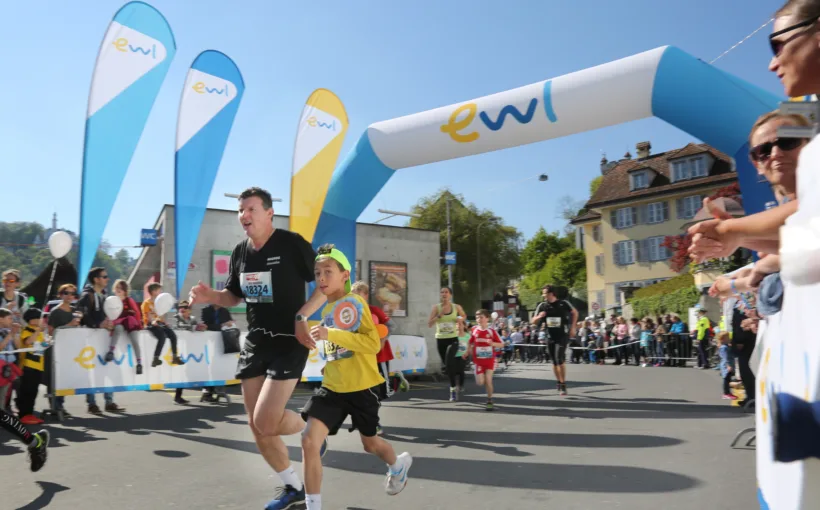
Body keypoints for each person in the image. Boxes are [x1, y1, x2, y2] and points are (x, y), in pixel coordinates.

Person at [188, 187, 328, 510]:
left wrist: (301, 316)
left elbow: (326, 286)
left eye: (250, 209)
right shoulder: (240, 252)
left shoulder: (293, 245)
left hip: (289, 341)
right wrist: (212, 296)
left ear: (269, 214)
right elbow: (233, 297)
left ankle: (315, 428)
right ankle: (293, 487)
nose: (244, 216)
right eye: (240, 211)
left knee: (266, 421)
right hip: (256, 342)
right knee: (257, 426)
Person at [301, 244, 412, 509]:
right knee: (308, 440)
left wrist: (332, 335)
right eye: (318, 273)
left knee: (370, 444)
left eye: (328, 271)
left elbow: (372, 344)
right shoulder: (326, 310)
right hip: (333, 388)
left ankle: (398, 466)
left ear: (344, 275)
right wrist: (328, 360)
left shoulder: (355, 302)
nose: (322, 278)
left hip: (363, 388)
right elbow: (338, 351)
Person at [76, 267, 123, 414]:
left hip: (103, 338)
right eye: (104, 277)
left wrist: (109, 323)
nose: (107, 279)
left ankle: (109, 401)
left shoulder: (105, 296)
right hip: (89, 339)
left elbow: (108, 314)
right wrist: (97, 324)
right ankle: (92, 404)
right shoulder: (86, 295)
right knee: (91, 371)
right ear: (96, 279)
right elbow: (81, 315)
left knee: (107, 369)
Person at [531, 285, 577, 395]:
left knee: (559, 358)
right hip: (550, 336)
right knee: (554, 361)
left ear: (551, 294)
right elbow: (533, 321)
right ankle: (559, 381)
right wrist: (539, 317)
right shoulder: (542, 305)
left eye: (545, 293)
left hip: (562, 336)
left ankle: (563, 383)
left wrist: (573, 327)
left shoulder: (564, 303)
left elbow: (575, 312)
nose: (543, 296)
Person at [428, 287, 467, 401]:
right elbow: (430, 324)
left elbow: (463, 316)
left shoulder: (456, 307)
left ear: (450, 295)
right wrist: (439, 315)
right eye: (442, 292)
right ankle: (455, 382)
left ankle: (452, 390)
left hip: (453, 338)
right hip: (440, 339)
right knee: (449, 367)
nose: (444, 294)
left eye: (446, 292)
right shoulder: (436, 307)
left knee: (450, 362)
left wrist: (459, 319)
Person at [463, 309, 505, 411]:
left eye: (481, 317)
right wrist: (467, 351)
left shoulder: (492, 331)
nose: (479, 319)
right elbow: (470, 342)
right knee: (480, 382)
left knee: (488, 380)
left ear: (487, 318)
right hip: (478, 362)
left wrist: (492, 344)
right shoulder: (474, 330)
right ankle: (480, 377)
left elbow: (502, 344)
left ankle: (489, 400)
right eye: (477, 317)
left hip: (490, 360)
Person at [142, 283, 184, 368]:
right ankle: (156, 358)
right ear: (153, 292)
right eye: (158, 290)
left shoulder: (159, 302)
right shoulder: (147, 303)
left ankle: (175, 356)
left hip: (159, 323)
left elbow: (161, 315)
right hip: (151, 324)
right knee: (162, 336)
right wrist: (153, 321)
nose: (160, 292)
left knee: (173, 335)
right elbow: (149, 316)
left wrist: (165, 322)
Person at [16, 308, 46, 425]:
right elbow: (28, 341)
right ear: (32, 319)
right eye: (39, 318)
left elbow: (41, 345)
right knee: (27, 391)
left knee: (33, 391)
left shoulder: (40, 331)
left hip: (39, 365)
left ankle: (30, 414)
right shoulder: (27, 330)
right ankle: (24, 414)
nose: (41, 320)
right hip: (28, 365)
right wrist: (38, 331)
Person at [108, 280, 144, 374]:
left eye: (121, 288)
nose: (119, 290)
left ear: (125, 290)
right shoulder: (112, 301)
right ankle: (111, 351)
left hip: (130, 322)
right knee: (118, 329)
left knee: (135, 341)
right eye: (117, 288)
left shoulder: (129, 300)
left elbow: (137, 313)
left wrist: (139, 325)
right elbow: (109, 313)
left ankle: (139, 363)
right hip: (118, 322)